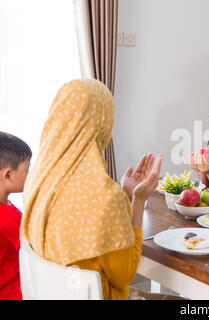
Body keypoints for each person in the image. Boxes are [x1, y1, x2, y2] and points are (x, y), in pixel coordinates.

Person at [20, 79, 164, 300]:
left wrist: (125, 194)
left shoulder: (38, 181)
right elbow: (125, 275)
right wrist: (138, 199)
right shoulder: (105, 196)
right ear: (102, 123)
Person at [0, 131, 32, 300]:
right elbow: (35, 246)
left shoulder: (6, 208)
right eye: (27, 170)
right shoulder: (8, 216)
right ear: (8, 175)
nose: (30, 175)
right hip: (15, 291)